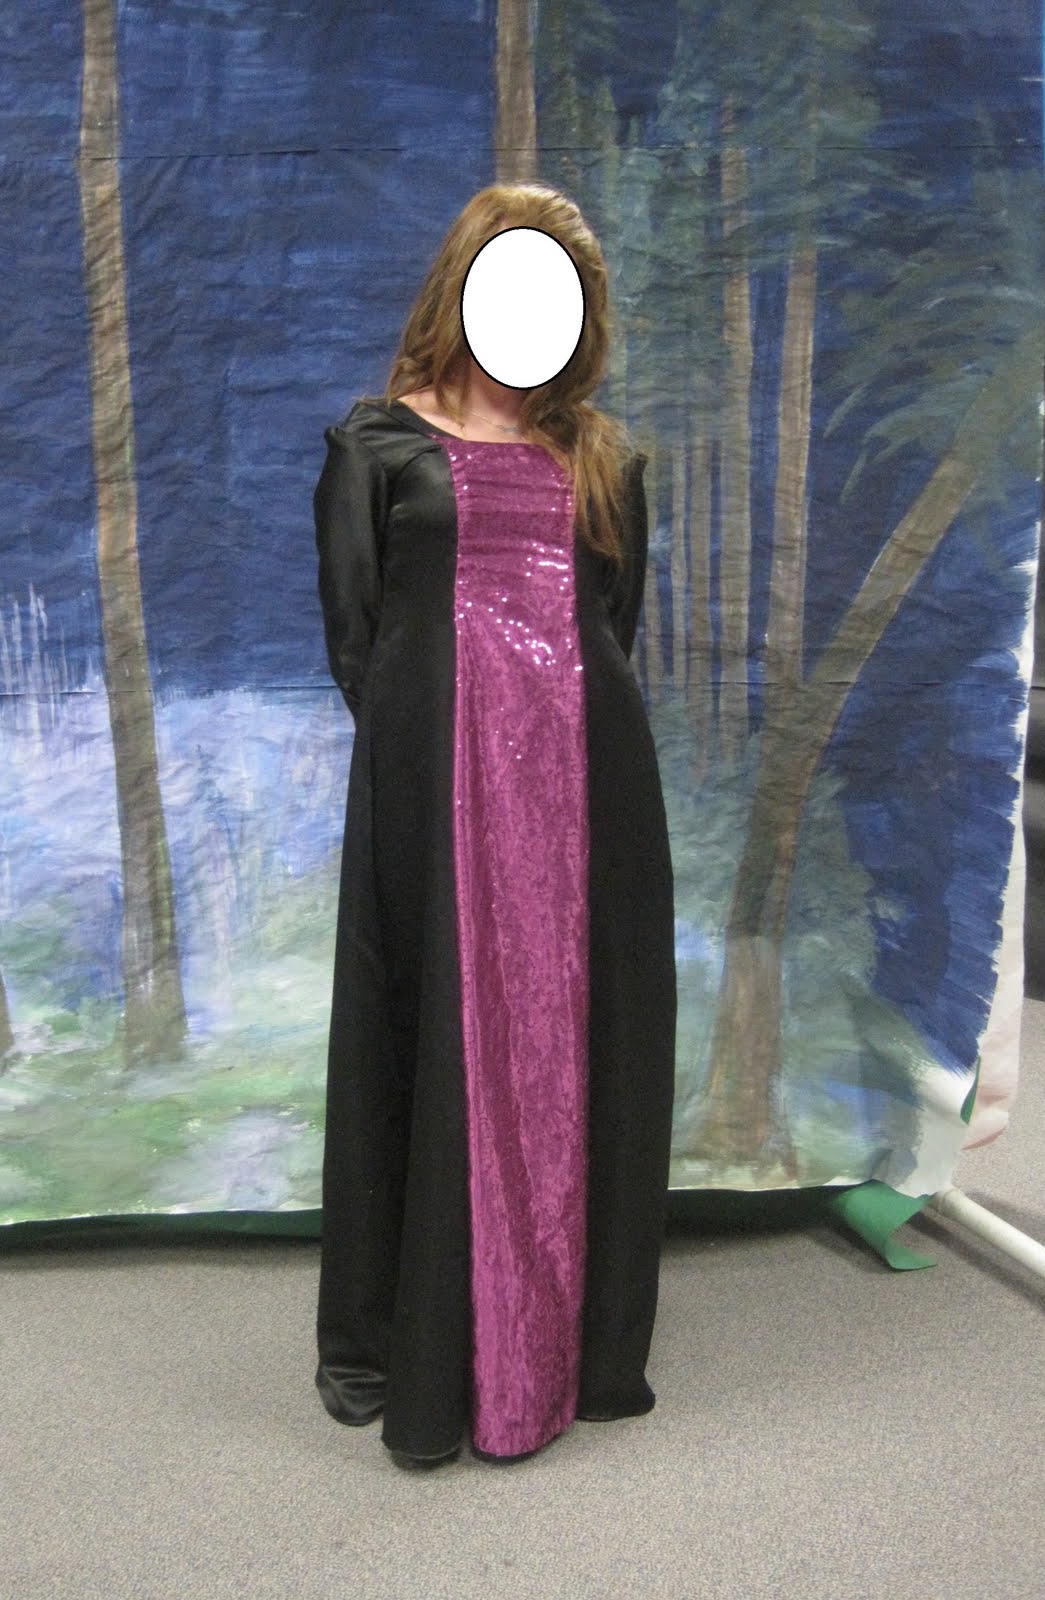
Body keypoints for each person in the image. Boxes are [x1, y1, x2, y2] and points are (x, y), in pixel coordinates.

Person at [312, 182, 677, 1470]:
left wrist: (543, 744)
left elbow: (611, 626)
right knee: (435, 1031)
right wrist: (452, 751)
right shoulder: (377, 448)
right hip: (435, 789)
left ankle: (571, 1341)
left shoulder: (606, 462)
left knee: (584, 1038)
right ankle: (423, 1341)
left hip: (589, 794)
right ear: (463, 289)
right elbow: (359, 642)